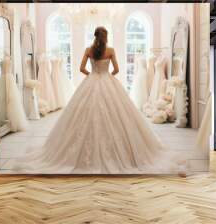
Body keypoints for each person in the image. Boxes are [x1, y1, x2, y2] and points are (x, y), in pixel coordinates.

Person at [13, 27, 187, 175]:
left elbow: (81, 68)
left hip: (92, 80)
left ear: (95, 37)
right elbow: (117, 69)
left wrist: (92, 75)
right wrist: (107, 77)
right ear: (106, 37)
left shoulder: (89, 50)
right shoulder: (110, 50)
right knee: (119, 115)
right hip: (106, 80)